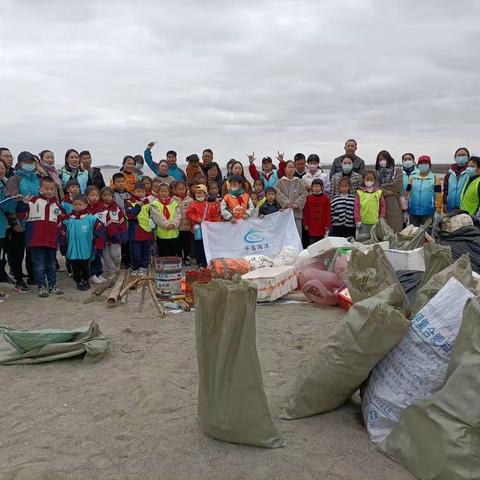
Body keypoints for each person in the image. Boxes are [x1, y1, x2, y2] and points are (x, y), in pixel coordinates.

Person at [18, 177, 63, 298]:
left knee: (52, 265)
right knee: (39, 265)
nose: (49, 191)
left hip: (51, 241)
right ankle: (41, 286)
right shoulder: (32, 201)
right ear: (40, 189)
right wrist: (23, 203)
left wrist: (58, 239)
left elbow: (59, 223)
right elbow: (22, 215)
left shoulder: (56, 205)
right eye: (46, 188)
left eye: (52, 189)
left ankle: (53, 286)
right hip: (36, 241)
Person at [6, 151, 44, 292]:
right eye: (27, 162)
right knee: (17, 251)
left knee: (32, 249)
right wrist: (14, 222)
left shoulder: (38, 178)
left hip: (35, 220)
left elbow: (50, 188)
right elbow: (9, 202)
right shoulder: (14, 180)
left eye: (32, 162)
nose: (30, 164)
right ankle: (18, 279)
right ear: (20, 163)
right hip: (19, 220)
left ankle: (32, 276)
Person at [63, 194, 104, 291]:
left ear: (86, 205)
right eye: (75, 204)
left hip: (85, 248)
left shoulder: (91, 218)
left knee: (85, 265)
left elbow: (100, 230)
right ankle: (78, 281)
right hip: (72, 249)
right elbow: (63, 233)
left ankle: (86, 280)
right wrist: (63, 245)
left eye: (80, 204)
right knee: (75, 266)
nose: (77, 206)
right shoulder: (68, 219)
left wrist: (97, 241)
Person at [186, 184, 221, 268]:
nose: (198, 194)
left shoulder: (210, 205)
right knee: (198, 245)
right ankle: (200, 262)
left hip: (208, 229)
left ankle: (207, 261)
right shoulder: (192, 205)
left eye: (200, 193)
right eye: (197, 193)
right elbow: (189, 214)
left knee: (207, 245)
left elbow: (215, 215)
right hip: (198, 229)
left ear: (205, 194)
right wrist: (198, 220)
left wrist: (217, 205)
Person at [125, 182, 154, 276]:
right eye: (138, 191)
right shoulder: (129, 202)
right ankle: (135, 267)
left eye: (142, 191)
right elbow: (131, 215)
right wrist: (139, 205)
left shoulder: (149, 202)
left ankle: (143, 267)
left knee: (146, 251)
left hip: (147, 230)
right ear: (133, 192)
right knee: (135, 252)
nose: (140, 193)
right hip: (135, 231)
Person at [405, 155, 442, 227]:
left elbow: (438, 196)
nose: (423, 165)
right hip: (413, 212)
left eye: (425, 163)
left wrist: (438, 211)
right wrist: (405, 210)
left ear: (429, 165)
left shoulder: (435, 179)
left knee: (427, 235)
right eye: (421, 163)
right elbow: (407, 195)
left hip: (428, 212)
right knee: (414, 234)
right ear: (418, 165)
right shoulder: (412, 178)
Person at [275, 160, 308, 236]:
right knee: (285, 236)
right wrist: (286, 203)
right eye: (289, 167)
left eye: (293, 167)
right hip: (284, 214)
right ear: (285, 169)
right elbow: (277, 193)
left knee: (297, 235)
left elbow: (304, 193)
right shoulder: (280, 182)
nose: (291, 169)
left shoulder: (299, 181)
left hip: (297, 214)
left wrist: (297, 203)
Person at [375, 150, 403, 232]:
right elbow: (375, 188)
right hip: (378, 202)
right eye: (380, 160)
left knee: (394, 227)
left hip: (393, 203)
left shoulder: (397, 171)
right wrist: (389, 191)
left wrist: (382, 187)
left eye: (384, 159)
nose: (382, 161)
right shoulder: (375, 173)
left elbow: (397, 186)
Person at [149, 182, 181, 257]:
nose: (164, 193)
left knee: (173, 252)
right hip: (162, 233)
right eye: (162, 191)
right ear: (158, 192)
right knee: (164, 253)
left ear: (169, 192)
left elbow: (178, 215)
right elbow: (157, 216)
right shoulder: (155, 204)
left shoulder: (174, 203)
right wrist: (166, 224)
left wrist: (173, 224)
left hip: (174, 232)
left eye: (165, 191)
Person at [100, 187, 127, 275]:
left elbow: (122, 222)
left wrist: (123, 234)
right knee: (106, 257)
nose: (107, 197)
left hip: (115, 236)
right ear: (101, 196)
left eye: (109, 195)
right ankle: (111, 272)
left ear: (113, 197)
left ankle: (117, 265)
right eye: (104, 195)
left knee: (116, 255)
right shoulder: (99, 208)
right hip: (103, 237)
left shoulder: (116, 208)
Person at [354, 170, 386, 235]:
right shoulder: (359, 193)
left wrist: (381, 218)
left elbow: (382, 206)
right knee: (363, 241)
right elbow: (356, 208)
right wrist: (358, 221)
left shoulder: (379, 192)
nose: (369, 181)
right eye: (367, 179)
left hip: (375, 222)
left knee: (374, 241)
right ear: (363, 180)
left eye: (371, 179)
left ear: (374, 180)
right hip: (362, 222)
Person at [86, 186, 106, 284]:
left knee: (99, 256)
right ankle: (92, 275)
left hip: (100, 237)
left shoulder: (101, 207)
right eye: (92, 195)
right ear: (87, 196)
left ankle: (99, 273)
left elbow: (103, 222)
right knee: (93, 257)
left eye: (96, 195)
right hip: (91, 237)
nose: (94, 197)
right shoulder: (85, 208)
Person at [303, 179, 331, 244]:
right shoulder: (309, 198)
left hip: (321, 224)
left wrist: (327, 224)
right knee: (312, 243)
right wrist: (305, 223)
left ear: (322, 187)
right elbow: (306, 212)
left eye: (317, 186)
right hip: (311, 225)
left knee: (320, 243)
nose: (316, 188)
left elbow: (328, 213)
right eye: (314, 186)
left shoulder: (326, 198)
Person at [172, 180, 193, 265]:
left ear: (186, 189)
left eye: (182, 189)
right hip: (177, 227)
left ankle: (186, 258)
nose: (181, 191)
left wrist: (192, 225)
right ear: (175, 190)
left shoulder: (190, 200)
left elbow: (193, 213)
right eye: (179, 189)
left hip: (187, 227)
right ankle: (179, 258)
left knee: (187, 244)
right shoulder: (172, 200)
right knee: (178, 244)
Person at [443, 147, 470, 213]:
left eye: (464, 155)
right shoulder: (449, 173)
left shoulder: (470, 172)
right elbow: (445, 190)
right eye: (459, 155)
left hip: (465, 209)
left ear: (468, 157)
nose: (461, 157)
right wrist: (444, 203)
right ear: (455, 157)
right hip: (450, 208)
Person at [400, 153, 417, 225]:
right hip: (401, 206)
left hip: (415, 205)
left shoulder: (418, 173)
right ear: (402, 161)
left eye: (409, 159)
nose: (407, 161)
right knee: (403, 228)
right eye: (405, 159)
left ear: (413, 161)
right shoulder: (398, 173)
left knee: (414, 227)